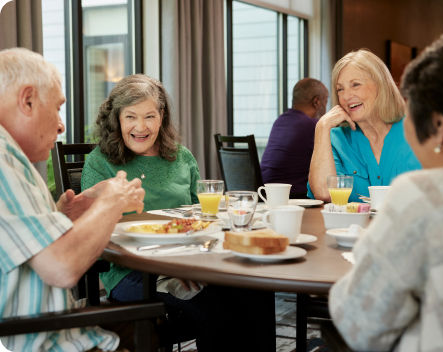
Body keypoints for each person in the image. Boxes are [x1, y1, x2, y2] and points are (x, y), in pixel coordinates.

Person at [81, 74, 274, 351]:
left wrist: (190, 261)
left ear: (161, 116)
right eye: (130, 117)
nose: (140, 126)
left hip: (189, 260)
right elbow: (92, 232)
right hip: (132, 271)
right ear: (117, 119)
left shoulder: (181, 157)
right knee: (215, 309)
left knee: (256, 291)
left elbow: (205, 218)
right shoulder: (100, 162)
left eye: (149, 116)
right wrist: (166, 269)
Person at [328, 29, 443, 351]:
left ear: (437, 125)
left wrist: (370, 248)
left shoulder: (421, 195)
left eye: (411, 108)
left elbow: (359, 323)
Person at [0, 48, 145, 351]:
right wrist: (112, 202)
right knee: (166, 317)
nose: (61, 125)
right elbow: (62, 268)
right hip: (46, 339)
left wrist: (64, 215)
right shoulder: (2, 159)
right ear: (27, 100)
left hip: (54, 327)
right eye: (57, 108)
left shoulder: (12, 157)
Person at [307, 49, 421, 203]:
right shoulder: (336, 139)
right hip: (349, 227)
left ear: (381, 86)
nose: (346, 96)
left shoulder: (419, 130)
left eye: (355, 85)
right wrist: (321, 127)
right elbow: (323, 193)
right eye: (340, 89)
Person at [260, 78, 328, 198]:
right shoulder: (312, 126)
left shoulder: (280, 120)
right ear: (317, 102)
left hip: (265, 192)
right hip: (292, 195)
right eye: (326, 101)